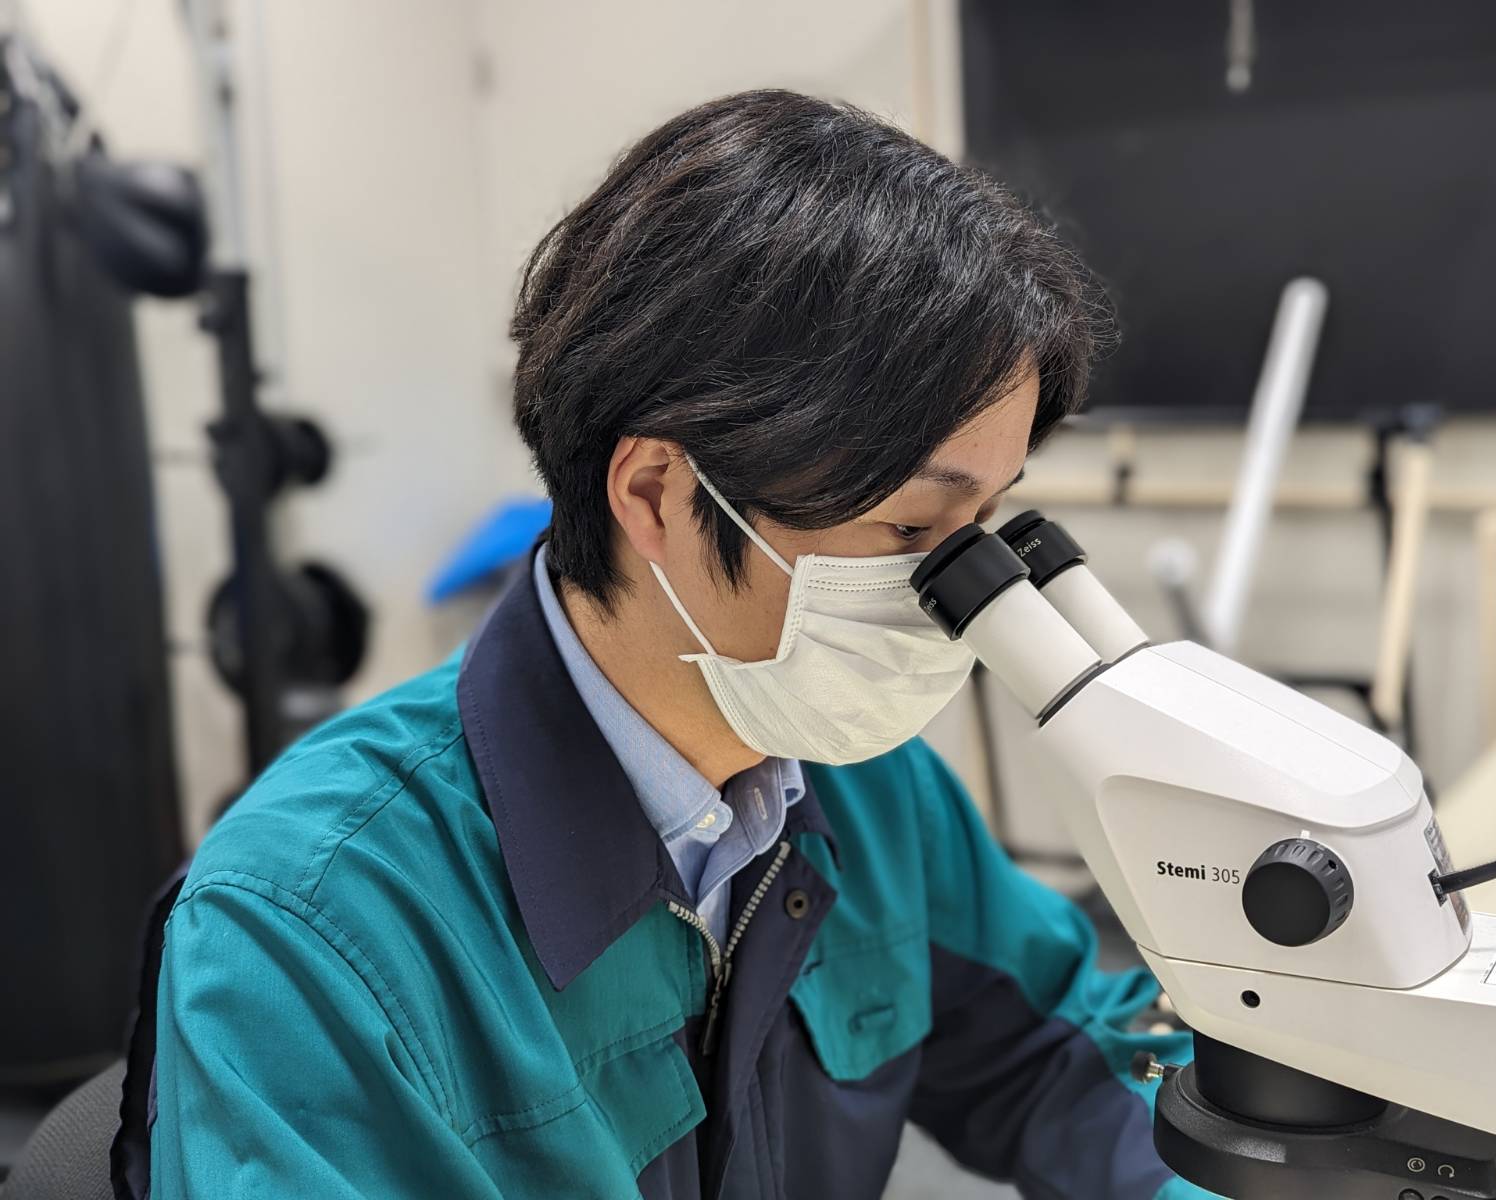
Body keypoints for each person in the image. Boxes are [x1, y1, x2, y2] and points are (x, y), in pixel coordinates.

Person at [141, 90, 1213, 1198]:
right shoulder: (313, 925)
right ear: (657, 494)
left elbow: (1061, 1060)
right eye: (910, 529)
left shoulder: (869, 794)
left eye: (984, 520)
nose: (962, 598)